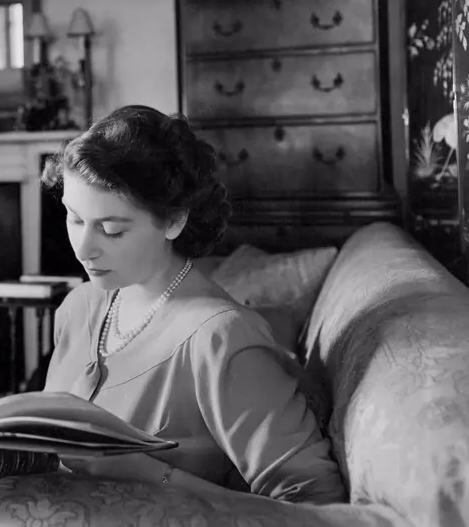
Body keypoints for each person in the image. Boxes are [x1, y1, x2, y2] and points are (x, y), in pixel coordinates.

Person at [40, 105, 346, 504]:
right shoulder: (79, 307)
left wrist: (151, 473)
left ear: (174, 221)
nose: (83, 249)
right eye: (74, 219)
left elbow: (314, 504)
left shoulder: (223, 339)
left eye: (111, 230)